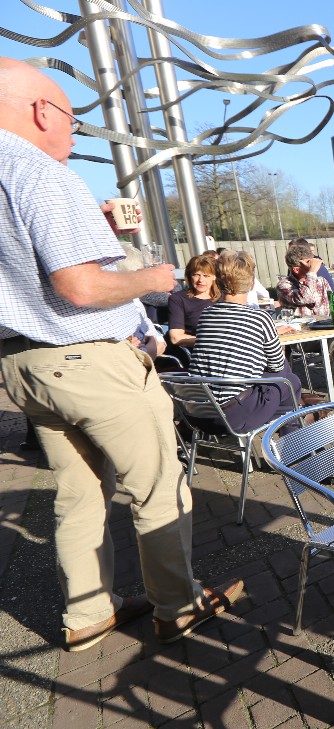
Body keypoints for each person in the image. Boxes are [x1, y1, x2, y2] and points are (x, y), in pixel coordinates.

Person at [0, 57, 242, 651]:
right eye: (73, 118)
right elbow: (80, 287)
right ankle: (177, 607)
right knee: (158, 487)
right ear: (42, 112)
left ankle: (87, 615)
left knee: (79, 494)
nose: (74, 132)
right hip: (86, 359)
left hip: (22, 364)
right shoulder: (39, 171)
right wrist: (153, 279)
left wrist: (96, 226)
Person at [188, 251, 311, 431]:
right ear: (252, 284)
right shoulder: (260, 318)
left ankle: (292, 418)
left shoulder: (205, 315)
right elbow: (276, 366)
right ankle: (291, 436)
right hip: (233, 416)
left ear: (218, 283)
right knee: (290, 380)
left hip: (198, 414)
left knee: (279, 379)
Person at [277, 239, 334, 401]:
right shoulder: (284, 285)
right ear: (296, 269)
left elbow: (333, 306)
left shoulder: (321, 281)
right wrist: (312, 273)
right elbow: (306, 297)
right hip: (303, 338)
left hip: (328, 333)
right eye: (309, 264)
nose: (314, 267)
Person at [166, 254, 220, 366]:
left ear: (214, 276)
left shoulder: (224, 298)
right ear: (190, 276)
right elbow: (176, 338)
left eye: (206, 276)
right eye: (196, 275)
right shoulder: (178, 299)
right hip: (193, 358)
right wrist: (211, 343)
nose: (201, 280)